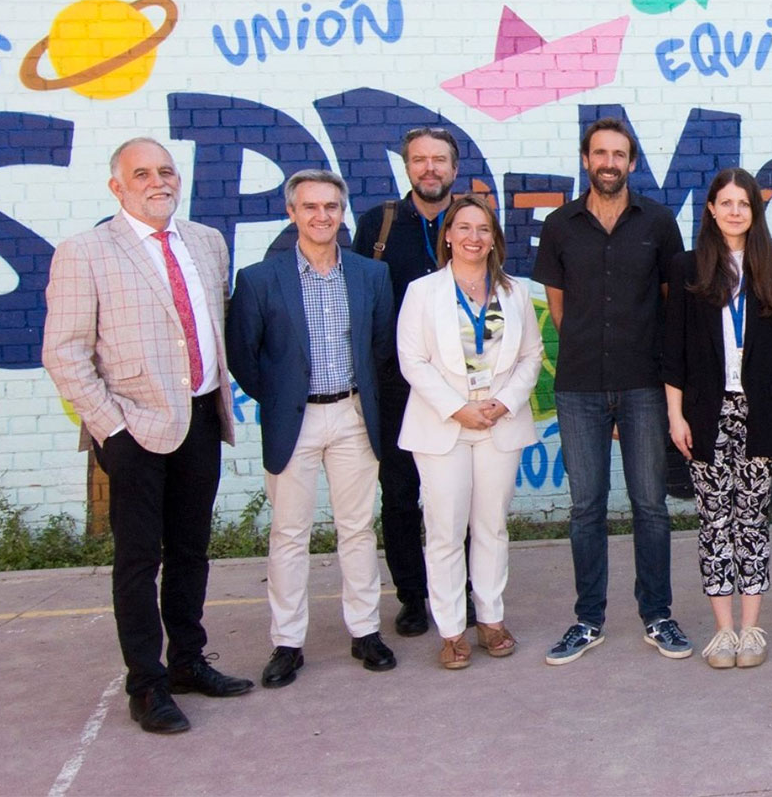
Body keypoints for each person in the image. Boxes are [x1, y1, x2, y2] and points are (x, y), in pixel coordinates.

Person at [42, 137, 253, 734]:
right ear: (117, 186)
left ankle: (187, 662)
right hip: (133, 429)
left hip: (201, 421)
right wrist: (111, 429)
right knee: (139, 560)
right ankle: (147, 684)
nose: (157, 181)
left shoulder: (206, 243)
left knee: (191, 551)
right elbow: (64, 353)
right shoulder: (85, 251)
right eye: (142, 173)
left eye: (166, 171)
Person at [227, 170, 398, 688]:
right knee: (289, 534)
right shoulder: (259, 279)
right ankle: (287, 642)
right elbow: (244, 357)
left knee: (357, 529)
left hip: (351, 415)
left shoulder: (371, 275)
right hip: (293, 419)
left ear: (342, 212)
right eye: (310, 207)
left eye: (330, 206)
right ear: (292, 213)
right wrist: (280, 400)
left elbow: (381, 348)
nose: (321, 215)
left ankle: (365, 631)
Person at [534, 117, 691, 664]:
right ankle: (588, 619)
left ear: (631, 162)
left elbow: (672, 303)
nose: (609, 162)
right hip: (578, 385)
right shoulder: (559, 226)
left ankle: (658, 614)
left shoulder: (659, 221)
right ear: (585, 160)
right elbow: (559, 306)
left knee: (650, 504)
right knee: (586, 508)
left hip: (644, 383)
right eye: (600, 153)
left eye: (619, 154)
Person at [396, 195, 545, 670]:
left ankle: (492, 619)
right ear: (448, 235)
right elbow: (412, 361)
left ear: (493, 238)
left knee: (491, 526)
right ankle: (451, 630)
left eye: (483, 229)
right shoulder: (423, 293)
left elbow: (531, 356)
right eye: (463, 227)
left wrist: (503, 403)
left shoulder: (515, 291)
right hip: (444, 427)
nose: (473, 237)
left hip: (499, 422)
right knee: (444, 529)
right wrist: (459, 408)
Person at [663, 169, 772, 670]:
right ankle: (723, 631)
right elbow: (672, 348)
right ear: (712, 210)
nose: (736, 211)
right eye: (727, 202)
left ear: (754, 212)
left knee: (753, 521)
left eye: (745, 203)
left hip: (759, 408)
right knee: (715, 519)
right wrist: (675, 415)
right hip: (705, 412)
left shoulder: (768, 265)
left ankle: (751, 628)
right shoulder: (688, 267)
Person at [352, 126, 465, 638]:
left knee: (456, 495)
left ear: (453, 169)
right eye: (420, 160)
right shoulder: (379, 223)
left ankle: (458, 589)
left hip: (462, 385)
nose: (430, 169)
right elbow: (360, 302)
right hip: (397, 388)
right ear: (407, 167)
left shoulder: (469, 222)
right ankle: (413, 597)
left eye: (439, 160)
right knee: (400, 496)